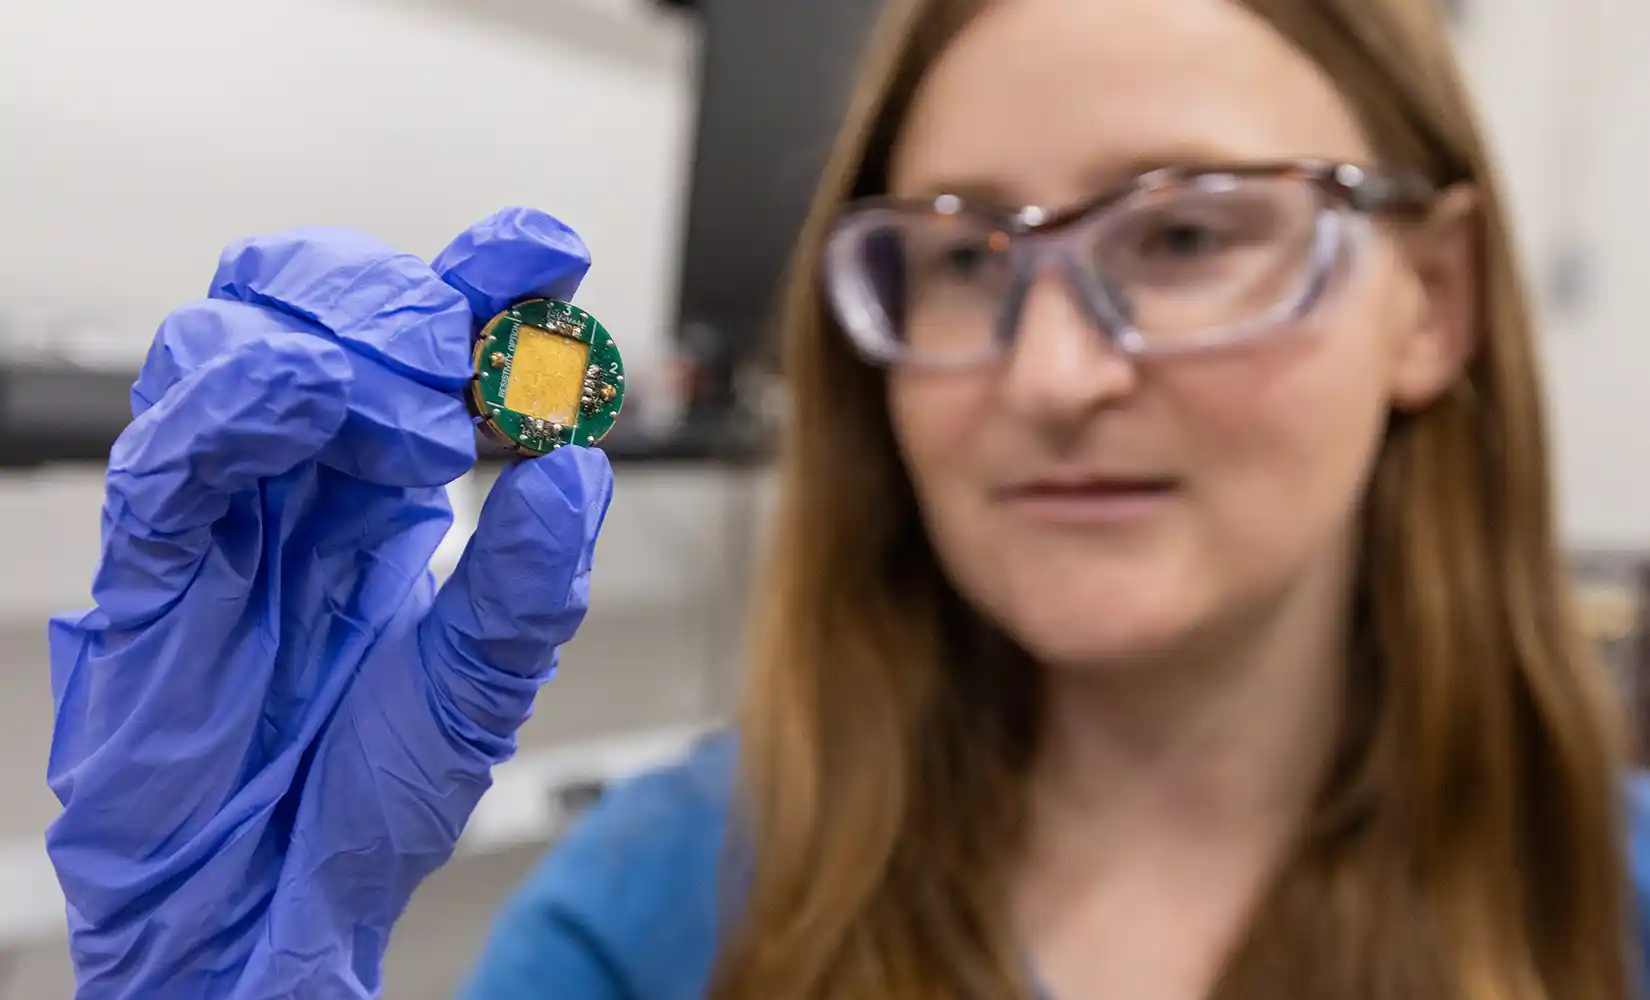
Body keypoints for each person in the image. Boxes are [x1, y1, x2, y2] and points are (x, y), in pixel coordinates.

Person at [43, 0, 1650, 998]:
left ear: (1431, 298)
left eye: (1182, 235)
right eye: (959, 256)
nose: (1048, 376)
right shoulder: (646, 922)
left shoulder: (1614, 913)